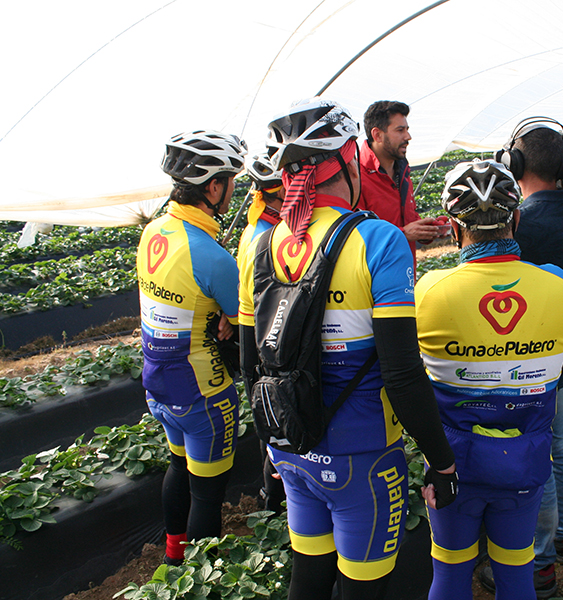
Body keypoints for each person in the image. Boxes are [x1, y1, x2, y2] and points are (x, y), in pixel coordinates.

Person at [237, 98, 457, 600]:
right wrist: (441, 462)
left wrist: (272, 445)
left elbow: (252, 363)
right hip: (361, 457)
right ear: (344, 161)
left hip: (291, 444)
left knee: (309, 576)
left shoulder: (263, 243)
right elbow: (402, 374)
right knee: (363, 589)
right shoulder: (378, 240)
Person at [415, 160, 563, 600]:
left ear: (452, 226)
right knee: (516, 574)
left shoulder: (430, 291)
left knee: (448, 575)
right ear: (517, 219)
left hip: (453, 464)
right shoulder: (559, 287)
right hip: (524, 463)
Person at [479, 120, 563, 597]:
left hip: (528, 357)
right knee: (560, 438)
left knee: (538, 454)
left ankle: (541, 563)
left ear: (515, 164)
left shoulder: (523, 220)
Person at [137, 130, 246, 565]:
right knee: (207, 494)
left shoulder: (153, 232)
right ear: (214, 187)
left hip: (158, 384)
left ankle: (173, 557)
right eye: (231, 179)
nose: (234, 187)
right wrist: (226, 317)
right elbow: (242, 318)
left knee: (177, 466)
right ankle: (201, 579)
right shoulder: (212, 256)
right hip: (204, 392)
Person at [236, 153, 287, 514]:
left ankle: (274, 501)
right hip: (269, 347)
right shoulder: (266, 238)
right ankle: (274, 505)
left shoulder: (259, 228)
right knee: (277, 429)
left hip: (261, 345)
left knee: (272, 429)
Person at [358, 100, 444, 257]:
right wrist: (402, 234)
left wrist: (429, 228)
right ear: (377, 135)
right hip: (373, 277)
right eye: (400, 130)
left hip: (406, 272)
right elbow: (356, 235)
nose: (408, 136)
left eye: (407, 129)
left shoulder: (402, 171)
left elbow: (407, 219)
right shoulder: (356, 176)